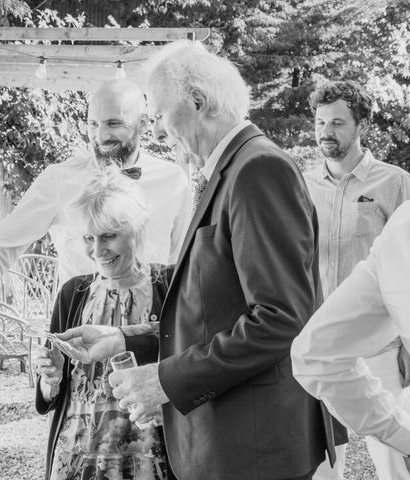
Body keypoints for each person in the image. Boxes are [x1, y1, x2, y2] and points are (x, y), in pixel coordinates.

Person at [57, 40, 337, 480]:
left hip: (254, 452)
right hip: (234, 445)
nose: (157, 133)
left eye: (162, 116)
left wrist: (164, 380)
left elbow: (281, 319)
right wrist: (124, 338)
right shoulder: (230, 171)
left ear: (199, 102)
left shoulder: (258, 170)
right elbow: (214, 312)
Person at [0, 79, 191, 345]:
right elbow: (2, 245)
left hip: (151, 333)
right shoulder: (60, 180)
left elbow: (183, 265)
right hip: (77, 331)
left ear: (142, 123)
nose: (101, 136)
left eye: (114, 123)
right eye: (93, 124)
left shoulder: (174, 181)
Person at [33, 167, 175, 480]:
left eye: (109, 236)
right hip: (79, 458)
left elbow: (190, 362)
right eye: (88, 238)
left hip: (149, 459)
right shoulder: (73, 293)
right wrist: (50, 380)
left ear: (137, 229)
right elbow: (51, 395)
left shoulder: (169, 286)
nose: (97, 251)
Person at [303, 80, 410, 480]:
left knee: (394, 458)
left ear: (361, 125)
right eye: (319, 122)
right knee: (325, 466)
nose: (325, 132)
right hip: (325, 344)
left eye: (337, 123)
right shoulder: (302, 186)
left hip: (380, 346)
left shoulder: (394, 182)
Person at [291, 201, 410, 473]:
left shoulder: (399, 204)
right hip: (365, 334)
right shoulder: (403, 230)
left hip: (385, 348)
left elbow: (316, 353)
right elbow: (316, 353)